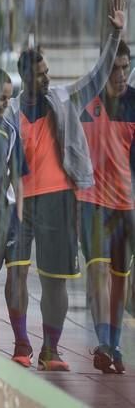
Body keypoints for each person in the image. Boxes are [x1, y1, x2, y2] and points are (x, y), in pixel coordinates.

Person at [5, 0, 125, 371]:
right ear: (26, 76)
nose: (47, 77)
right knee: (17, 271)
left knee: (55, 279)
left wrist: (115, 33)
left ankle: (50, 350)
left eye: (47, 71)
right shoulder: (8, 112)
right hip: (19, 202)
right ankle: (22, 343)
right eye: (40, 73)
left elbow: (96, 77)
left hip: (60, 199)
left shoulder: (64, 99)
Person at [76, 40, 135, 374]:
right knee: (97, 271)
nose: (122, 74)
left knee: (119, 279)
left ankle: (113, 344)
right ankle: (103, 343)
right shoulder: (86, 103)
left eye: (126, 67)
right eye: (115, 67)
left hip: (125, 206)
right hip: (91, 202)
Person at [0, 69, 31, 367]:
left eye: (8, 98)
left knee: (18, 276)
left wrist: (19, 215)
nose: (5, 103)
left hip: (8, 216)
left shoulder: (9, 129)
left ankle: (22, 342)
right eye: (0, 97)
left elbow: (17, 176)